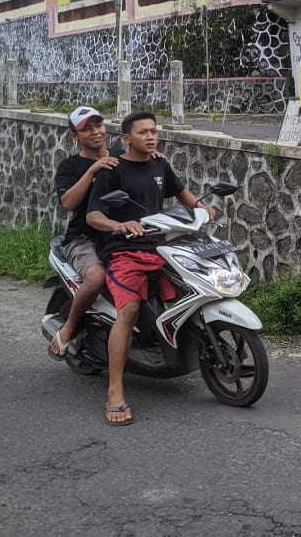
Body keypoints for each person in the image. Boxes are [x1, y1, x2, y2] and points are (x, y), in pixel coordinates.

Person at [86, 112, 214, 426]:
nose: (151, 137)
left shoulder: (160, 164)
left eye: (154, 131)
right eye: (143, 132)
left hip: (160, 245)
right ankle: (115, 390)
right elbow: (93, 216)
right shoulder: (112, 171)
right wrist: (120, 225)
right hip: (124, 249)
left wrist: (201, 207)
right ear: (126, 138)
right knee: (127, 310)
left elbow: (182, 194)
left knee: (193, 289)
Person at [48, 106, 122, 360]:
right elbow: (68, 203)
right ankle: (69, 326)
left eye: (98, 125)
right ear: (74, 136)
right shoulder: (70, 167)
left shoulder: (123, 157)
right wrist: (93, 170)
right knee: (96, 276)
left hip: (120, 233)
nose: (95, 132)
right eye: (86, 129)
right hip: (83, 238)